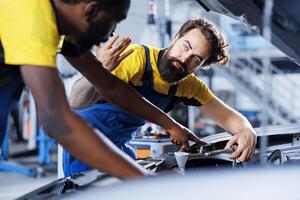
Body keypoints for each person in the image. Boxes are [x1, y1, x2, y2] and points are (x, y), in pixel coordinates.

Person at [0, 0, 203, 179]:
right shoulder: (32, 17)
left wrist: (170, 124)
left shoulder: (59, 22)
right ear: (92, 10)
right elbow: (56, 120)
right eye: (114, 21)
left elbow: (109, 85)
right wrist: (142, 178)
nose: (109, 35)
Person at [66, 18, 257, 176]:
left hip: (119, 146)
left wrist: (248, 132)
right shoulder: (137, 59)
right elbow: (76, 102)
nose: (184, 59)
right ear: (176, 37)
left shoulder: (188, 86)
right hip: (87, 143)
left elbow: (228, 117)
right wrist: (100, 70)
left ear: (201, 67)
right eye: (185, 46)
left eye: (196, 59)